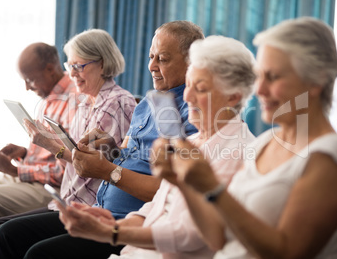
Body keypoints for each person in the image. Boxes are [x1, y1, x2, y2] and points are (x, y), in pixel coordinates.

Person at [152, 17, 337, 258]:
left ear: (315, 81)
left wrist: (213, 188)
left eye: (273, 77)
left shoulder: (332, 159)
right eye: (260, 77)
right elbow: (216, 237)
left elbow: (287, 253)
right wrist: (183, 182)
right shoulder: (265, 143)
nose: (259, 90)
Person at [0, 21, 203, 259]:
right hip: (100, 210)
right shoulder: (148, 103)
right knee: (5, 234)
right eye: (151, 56)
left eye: (162, 59)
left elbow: (170, 191)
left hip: (126, 222)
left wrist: (106, 170)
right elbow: (124, 156)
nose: (151, 66)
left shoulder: (193, 113)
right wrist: (110, 147)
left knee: (36, 252)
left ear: (191, 62)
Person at [56, 35, 257, 258]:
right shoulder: (191, 141)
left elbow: (194, 235)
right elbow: (158, 203)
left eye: (199, 88)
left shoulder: (237, 152)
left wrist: (112, 232)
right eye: (188, 85)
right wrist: (119, 224)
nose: (187, 96)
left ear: (233, 97)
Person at [0, 29, 136, 259]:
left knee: (5, 234)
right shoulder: (84, 102)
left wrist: (52, 145)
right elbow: (75, 159)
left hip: (92, 208)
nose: (71, 74)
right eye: (69, 65)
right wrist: (37, 149)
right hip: (68, 201)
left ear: (102, 64)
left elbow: (97, 167)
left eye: (79, 66)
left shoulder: (118, 102)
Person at [0, 42, 77, 259]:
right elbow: (52, 152)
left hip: (46, 186)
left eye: (30, 79)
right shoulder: (49, 99)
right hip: (29, 175)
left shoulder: (74, 101)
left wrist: (15, 171)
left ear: (50, 68)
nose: (27, 87)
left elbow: (67, 170)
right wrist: (26, 154)